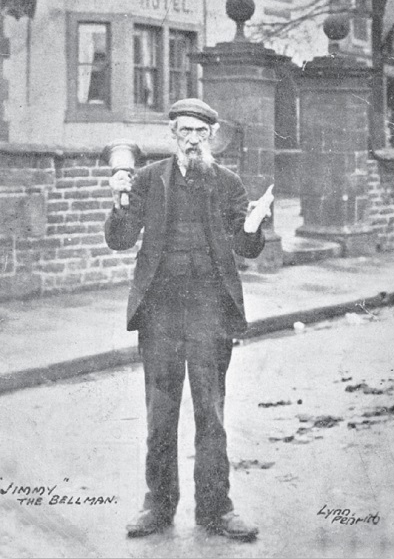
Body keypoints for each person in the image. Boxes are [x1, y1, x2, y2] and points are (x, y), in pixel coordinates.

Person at [105, 98, 274, 541]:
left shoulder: (228, 183)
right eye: (185, 132)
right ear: (172, 135)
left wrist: (255, 224)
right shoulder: (148, 179)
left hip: (209, 311)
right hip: (159, 311)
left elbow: (247, 246)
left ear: (211, 137)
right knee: (160, 415)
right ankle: (158, 506)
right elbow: (120, 241)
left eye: (201, 133)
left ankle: (216, 509)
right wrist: (120, 202)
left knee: (210, 413)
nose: (193, 141)